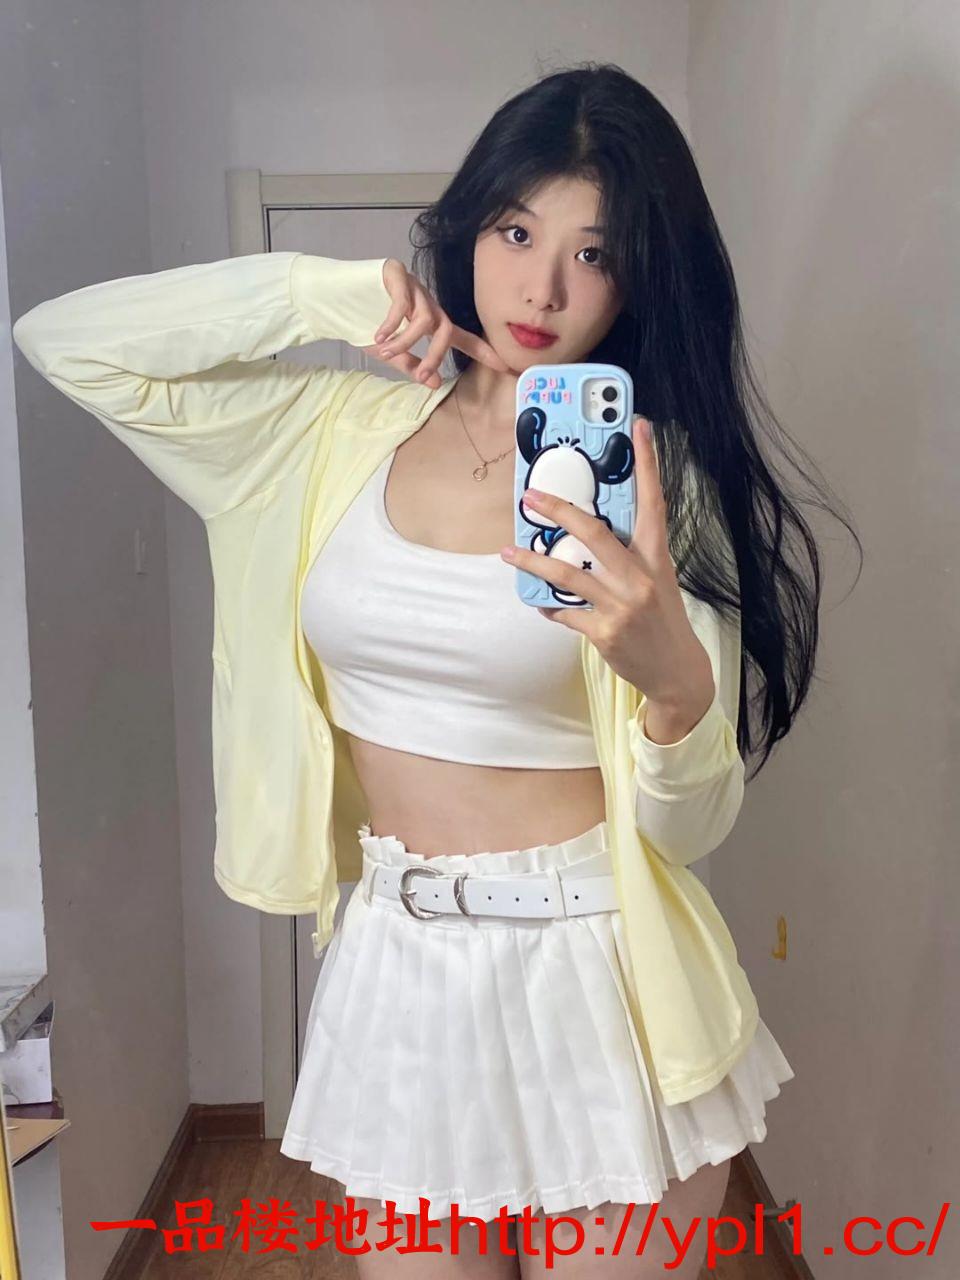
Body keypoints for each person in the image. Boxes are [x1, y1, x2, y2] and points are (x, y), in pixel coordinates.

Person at [12, 62, 860, 1280]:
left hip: (600, 973)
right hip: (396, 965)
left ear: (637, 279)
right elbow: (65, 341)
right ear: (467, 228)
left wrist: (675, 688)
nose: (542, 287)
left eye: (594, 253)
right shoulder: (319, 434)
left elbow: (686, 829)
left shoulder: (652, 477)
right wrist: (324, 291)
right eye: (516, 231)